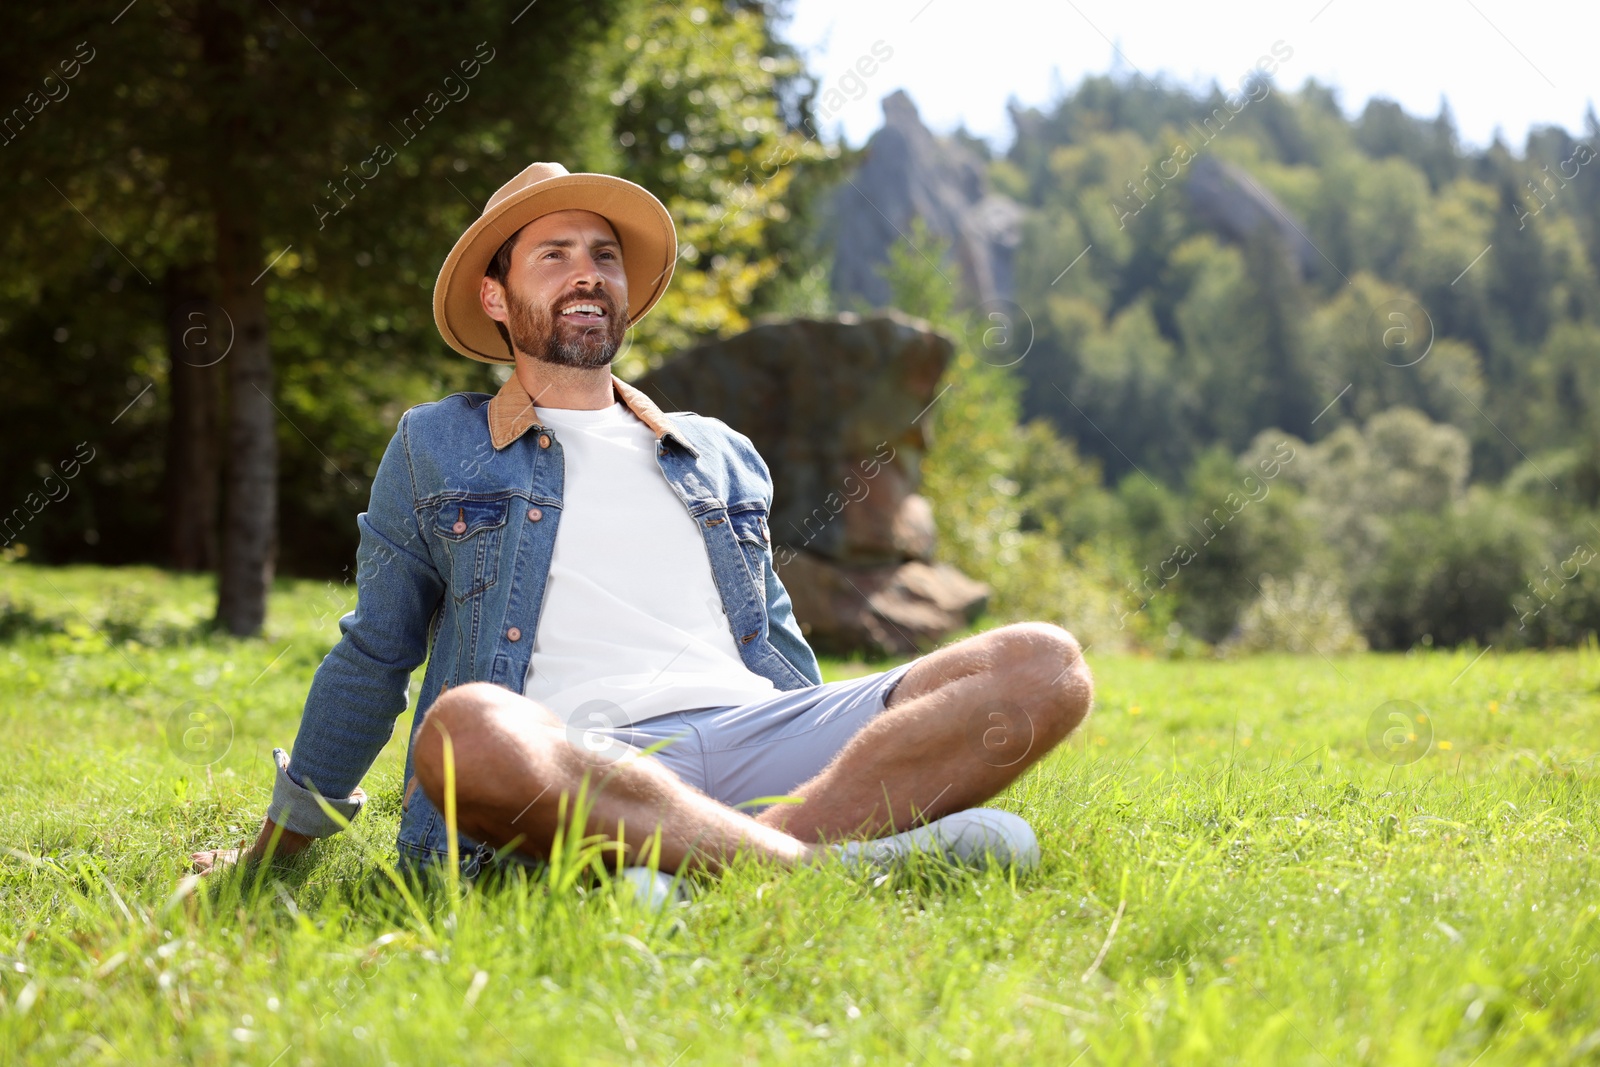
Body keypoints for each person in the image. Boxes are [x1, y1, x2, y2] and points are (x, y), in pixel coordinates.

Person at [191, 162, 1094, 891]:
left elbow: (780, 653)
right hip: (576, 760)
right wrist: (273, 856)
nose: (589, 271)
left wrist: (854, 763)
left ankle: (721, 865)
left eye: (604, 255)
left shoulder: (719, 452)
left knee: (1043, 663)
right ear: (498, 298)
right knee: (466, 727)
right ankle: (810, 865)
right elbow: (373, 654)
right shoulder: (440, 444)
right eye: (553, 255)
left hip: (755, 737)